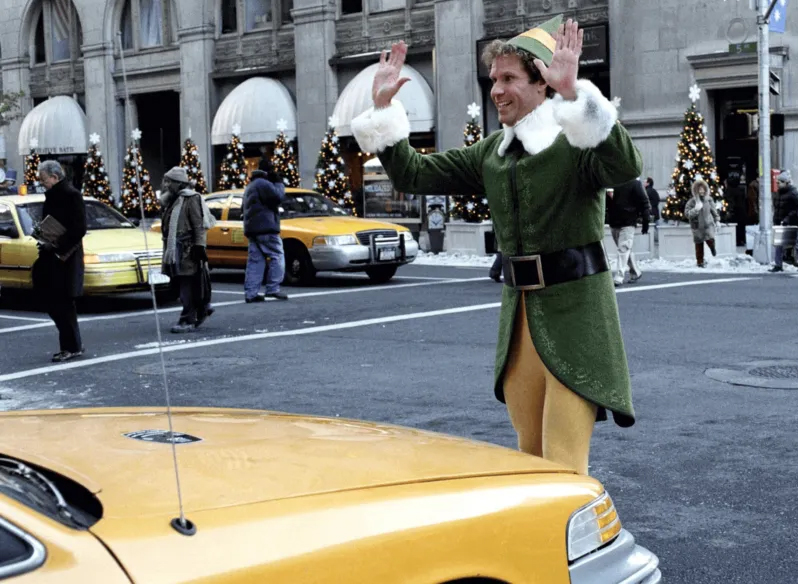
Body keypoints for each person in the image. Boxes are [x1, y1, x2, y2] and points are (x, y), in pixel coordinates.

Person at [351, 16, 642, 474]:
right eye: (493, 79)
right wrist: (384, 108)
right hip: (519, 324)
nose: (497, 91)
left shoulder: (575, 144)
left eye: (509, 79)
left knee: (563, 465)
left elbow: (626, 165)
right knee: (528, 457)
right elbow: (415, 174)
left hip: (578, 321)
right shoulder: (492, 152)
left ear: (541, 83)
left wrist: (574, 94)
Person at [31, 161, 86, 362]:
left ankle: (71, 346)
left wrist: (55, 244)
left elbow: (79, 229)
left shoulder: (71, 195)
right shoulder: (55, 195)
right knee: (55, 301)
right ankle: (73, 345)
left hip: (65, 256)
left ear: (54, 177)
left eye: (43, 179)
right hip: (52, 254)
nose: (41, 183)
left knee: (62, 302)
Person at [159, 166, 214, 333]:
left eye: (170, 182)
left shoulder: (191, 199)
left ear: (179, 183)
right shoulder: (171, 201)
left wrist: (199, 246)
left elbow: (198, 225)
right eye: (166, 181)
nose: (166, 185)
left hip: (187, 250)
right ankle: (201, 310)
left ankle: (187, 319)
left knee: (187, 285)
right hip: (174, 250)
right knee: (180, 284)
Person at [243, 159, 288, 302]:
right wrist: (279, 183)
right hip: (266, 228)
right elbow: (278, 197)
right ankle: (273, 289)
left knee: (255, 261)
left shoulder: (251, 185)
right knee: (277, 255)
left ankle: (251, 293)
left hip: (253, 229)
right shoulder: (264, 184)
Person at [606, 178, 650, 286]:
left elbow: (644, 202)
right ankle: (635, 272)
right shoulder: (612, 182)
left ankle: (619, 276)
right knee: (624, 249)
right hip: (615, 221)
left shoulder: (634, 183)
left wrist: (646, 221)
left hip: (628, 221)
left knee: (623, 248)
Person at [685, 178, 720, 267]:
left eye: (703, 189)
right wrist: (696, 209)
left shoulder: (709, 200)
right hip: (697, 226)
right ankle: (700, 262)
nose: (702, 191)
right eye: (699, 189)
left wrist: (717, 221)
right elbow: (687, 214)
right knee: (699, 245)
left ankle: (712, 247)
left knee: (710, 239)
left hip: (708, 225)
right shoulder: (691, 202)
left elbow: (714, 211)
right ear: (696, 190)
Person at [769, 170, 798, 273]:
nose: (777, 184)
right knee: (778, 244)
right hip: (780, 222)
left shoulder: (793, 193)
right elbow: (777, 208)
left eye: (779, 182)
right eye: (777, 182)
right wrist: (775, 220)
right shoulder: (778, 194)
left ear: (786, 182)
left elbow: (796, 209)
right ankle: (778, 265)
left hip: (792, 223)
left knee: (796, 244)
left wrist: (788, 218)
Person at [724, 173, 747, 247]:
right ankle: (741, 240)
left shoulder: (729, 191)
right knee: (740, 226)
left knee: (736, 227)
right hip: (741, 211)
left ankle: (737, 240)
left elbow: (731, 202)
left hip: (735, 212)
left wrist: (729, 210)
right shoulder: (739, 190)